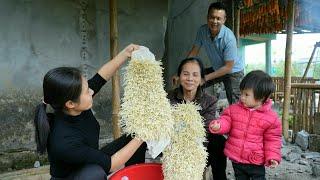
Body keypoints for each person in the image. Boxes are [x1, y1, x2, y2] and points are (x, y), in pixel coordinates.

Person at [34, 44, 147, 180]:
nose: (92, 91)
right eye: (87, 91)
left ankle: (135, 175)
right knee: (95, 174)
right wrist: (144, 133)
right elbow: (111, 164)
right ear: (70, 103)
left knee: (132, 139)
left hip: (86, 163)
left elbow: (100, 77)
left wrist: (125, 53)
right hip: (73, 177)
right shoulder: (63, 141)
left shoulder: (75, 106)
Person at [209, 70, 282, 180]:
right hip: (237, 159)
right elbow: (226, 120)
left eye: (246, 94)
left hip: (256, 161)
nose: (242, 97)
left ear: (261, 97)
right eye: (242, 93)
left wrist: (273, 157)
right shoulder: (234, 110)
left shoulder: (271, 118)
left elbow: (272, 140)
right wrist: (219, 125)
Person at [167, 57, 219, 178]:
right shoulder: (168, 97)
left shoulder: (210, 101)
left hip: (198, 146)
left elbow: (206, 128)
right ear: (179, 76)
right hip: (172, 143)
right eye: (185, 74)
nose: (190, 78)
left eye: (195, 75)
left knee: (219, 141)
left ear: (201, 80)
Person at [188, 2, 244, 105]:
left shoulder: (229, 38)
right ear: (207, 17)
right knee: (192, 79)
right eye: (212, 17)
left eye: (218, 18)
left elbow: (228, 68)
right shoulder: (202, 31)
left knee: (235, 103)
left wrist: (205, 78)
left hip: (233, 71)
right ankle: (193, 109)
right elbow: (193, 53)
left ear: (224, 20)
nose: (215, 21)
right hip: (218, 67)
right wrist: (182, 71)